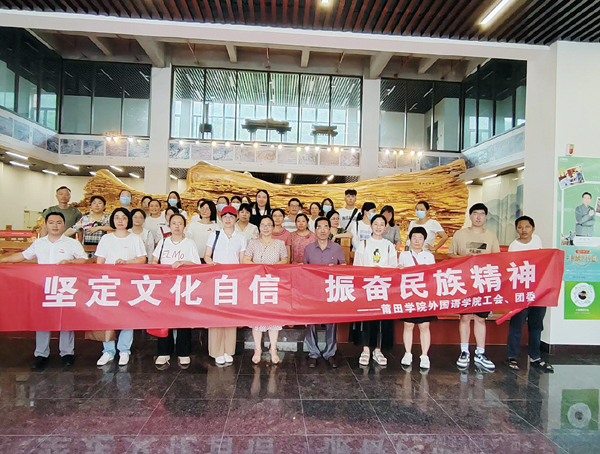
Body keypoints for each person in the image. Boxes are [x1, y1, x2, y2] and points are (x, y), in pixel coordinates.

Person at [0, 212, 88, 370]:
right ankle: (41, 354)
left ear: (64, 225)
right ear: (46, 225)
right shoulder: (39, 243)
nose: (55, 225)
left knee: (65, 320)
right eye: (51, 222)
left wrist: (70, 262)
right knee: (41, 319)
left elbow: (84, 259)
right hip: (43, 286)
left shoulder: (72, 243)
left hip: (64, 287)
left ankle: (67, 353)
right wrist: (4, 260)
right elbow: (23, 256)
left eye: (59, 222)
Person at [448, 203, 500, 372]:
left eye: (482, 214)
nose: (478, 217)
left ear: (485, 217)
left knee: (480, 318)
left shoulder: (491, 236)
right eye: (475, 214)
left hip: (483, 282)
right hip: (464, 282)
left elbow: (497, 258)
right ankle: (464, 352)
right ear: (470, 216)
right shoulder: (460, 234)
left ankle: (480, 353)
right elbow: (450, 255)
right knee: (464, 317)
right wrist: (465, 258)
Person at [95, 208, 147, 366]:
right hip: (108, 283)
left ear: (128, 220)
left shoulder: (135, 239)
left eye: (124, 217)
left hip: (128, 282)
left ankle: (124, 350)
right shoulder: (106, 239)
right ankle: (108, 351)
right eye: (117, 217)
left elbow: (142, 259)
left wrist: (127, 263)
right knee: (107, 317)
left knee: (127, 316)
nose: (120, 220)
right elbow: (100, 261)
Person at [152, 213, 200, 369]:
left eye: (180, 223)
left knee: (183, 319)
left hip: (184, 286)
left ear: (184, 226)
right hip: (165, 286)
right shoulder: (163, 242)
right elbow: (154, 260)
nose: (177, 226)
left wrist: (183, 263)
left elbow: (197, 265)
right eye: (174, 223)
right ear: (169, 226)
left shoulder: (189, 243)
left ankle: (183, 352)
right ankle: (163, 352)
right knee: (164, 318)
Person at [507, 216, 553, 372]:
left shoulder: (537, 240)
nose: (524, 230)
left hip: (538, 291)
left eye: (527, 226)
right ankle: (512, 357)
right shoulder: (514, 246)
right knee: (517, 325)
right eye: (520, 227)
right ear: (516, 229)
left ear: (533, 228)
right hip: (520, 292)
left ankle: (535, 357)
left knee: (536, 325)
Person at [351, 214, 397, 367]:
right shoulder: (363, 244)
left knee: (381, 319)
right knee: (366, 318)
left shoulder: (389, 245)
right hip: (367, 288)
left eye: (381, 224)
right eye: (375, 224)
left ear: (386, 227)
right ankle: (365, 350)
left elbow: (393, 267)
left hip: (383, 288)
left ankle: (378, 350)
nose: (378, 227)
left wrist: (381, 271)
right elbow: (357, 268)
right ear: (371, 226)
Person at [204, 206, 247, 365]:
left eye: (231, 216)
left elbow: (242, 260)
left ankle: (228, 349)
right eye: (225, 216)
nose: (228, 219)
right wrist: (212, 264)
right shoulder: (214, 235)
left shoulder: (241, 237)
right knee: (216, 314)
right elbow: (206, 256)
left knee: (230, 314)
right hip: (216, 280)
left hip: (234, 280)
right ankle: (216, 351)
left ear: (236, 218)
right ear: (221, 219)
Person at [243, 215, 289, 364]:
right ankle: (257, 349)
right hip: (258, 284)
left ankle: (273, 349)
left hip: (274, 284)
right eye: (263, 225)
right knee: (257, 318)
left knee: (274, 317)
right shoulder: (253, 243)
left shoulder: (280, 243)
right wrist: (259, 268)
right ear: (259, 228)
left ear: (273, 227)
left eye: (269, 225)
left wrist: (273, 267)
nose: (266, 228)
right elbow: (245, 259)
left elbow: (285, 259)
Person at [303, 216, 346, 368]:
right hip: (313, 291)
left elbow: (344, 267)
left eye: (325, 227)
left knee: (331, 322)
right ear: (315, 230)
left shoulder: (337, 248)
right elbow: (304, 270)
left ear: (330, 230)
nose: (322, 230)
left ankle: (330, 353)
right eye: (319, 227)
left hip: (331, 290)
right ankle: (313, 353)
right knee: (311, 321)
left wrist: (335, 269)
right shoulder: (308, 249)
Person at [398, 227, 436, 370]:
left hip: (424, 295)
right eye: (414, 238)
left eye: (420, 238)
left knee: (424, 325)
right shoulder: (404, 255)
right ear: (409, 239)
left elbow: (432, 275)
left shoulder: (429, 256)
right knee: (408, 325)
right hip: (409, 294)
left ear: (424, 240)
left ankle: (424, 355)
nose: (417, 241)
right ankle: (407, 353)